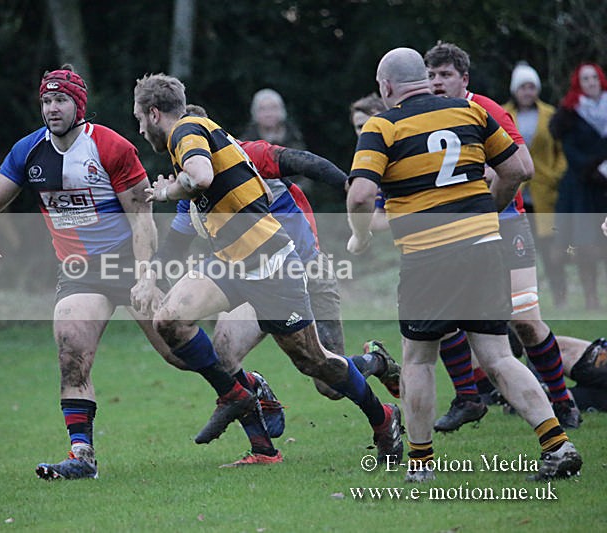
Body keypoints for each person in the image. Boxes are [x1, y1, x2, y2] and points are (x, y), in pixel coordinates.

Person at [133, 73, 403, 467]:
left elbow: (202, 177)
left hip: (275, 266)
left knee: (317, 364)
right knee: (171, 320)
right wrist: (150, 278)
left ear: (154, 113)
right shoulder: (188, 151)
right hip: (230, 263)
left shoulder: (187, 130)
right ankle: (241, 402)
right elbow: (179, 234)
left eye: (139, 119)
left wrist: (169, 189)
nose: (139, 128)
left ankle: (383, 418)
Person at [347, 47, 582, 482]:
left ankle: (420, 463)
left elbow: (361, 195)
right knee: (497, 355)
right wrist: (487, 211)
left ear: (386, 86)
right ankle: (557, 443)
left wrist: (359, 237)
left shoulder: (382, 125)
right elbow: (516, 169)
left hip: (428, 258)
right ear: (424, 78)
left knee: (418, 359)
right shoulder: (468, 113)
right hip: (483, 249)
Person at [0, 65, 166, 480]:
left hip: (127, 263)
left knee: (177, 350)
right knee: (71, 349)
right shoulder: (28, 151)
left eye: (61, 100)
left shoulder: (110, 145)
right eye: (46, 100)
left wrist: (145, 274)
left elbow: (142, 219)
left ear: (79, 104)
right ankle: (82, 456)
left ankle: (245, 391)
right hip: (79, 271)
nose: (52, 109)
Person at [424, 42, 581, 431]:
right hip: (454, 231)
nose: (437, 82)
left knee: (524, 321)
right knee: (444, 316)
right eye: (431, 75)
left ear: (464, 79)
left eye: (445, 75)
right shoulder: (422, 118)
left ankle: (562, 401)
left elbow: (520, 167)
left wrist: (486, 207)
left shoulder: (487, 110)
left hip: (506, 224)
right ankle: (467, 398)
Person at [503, 62, 569, 307]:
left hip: (544, 192)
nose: (527, 92)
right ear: (515, 90)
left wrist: (555, 174)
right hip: (515, 193)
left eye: (532, 87)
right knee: (518, 249)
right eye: (523, 87)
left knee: (552, 250)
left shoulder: (550, 115)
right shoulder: (502, 114)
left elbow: (561, 151)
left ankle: (560, 296)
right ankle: (523, 299)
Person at [550, 62, 607, 310]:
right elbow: (571, 152)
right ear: (578, 83)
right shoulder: (570, 115)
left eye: (594, 77)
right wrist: (595, 169)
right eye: (585, 78)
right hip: (583, 188)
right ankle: (591, 297)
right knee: (586, 247)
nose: (591, 82)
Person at [349, 94, 389, 232]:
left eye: (372, 124)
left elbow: (378, 221)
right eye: (360, 127)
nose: (366, 131)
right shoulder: (364, 163)